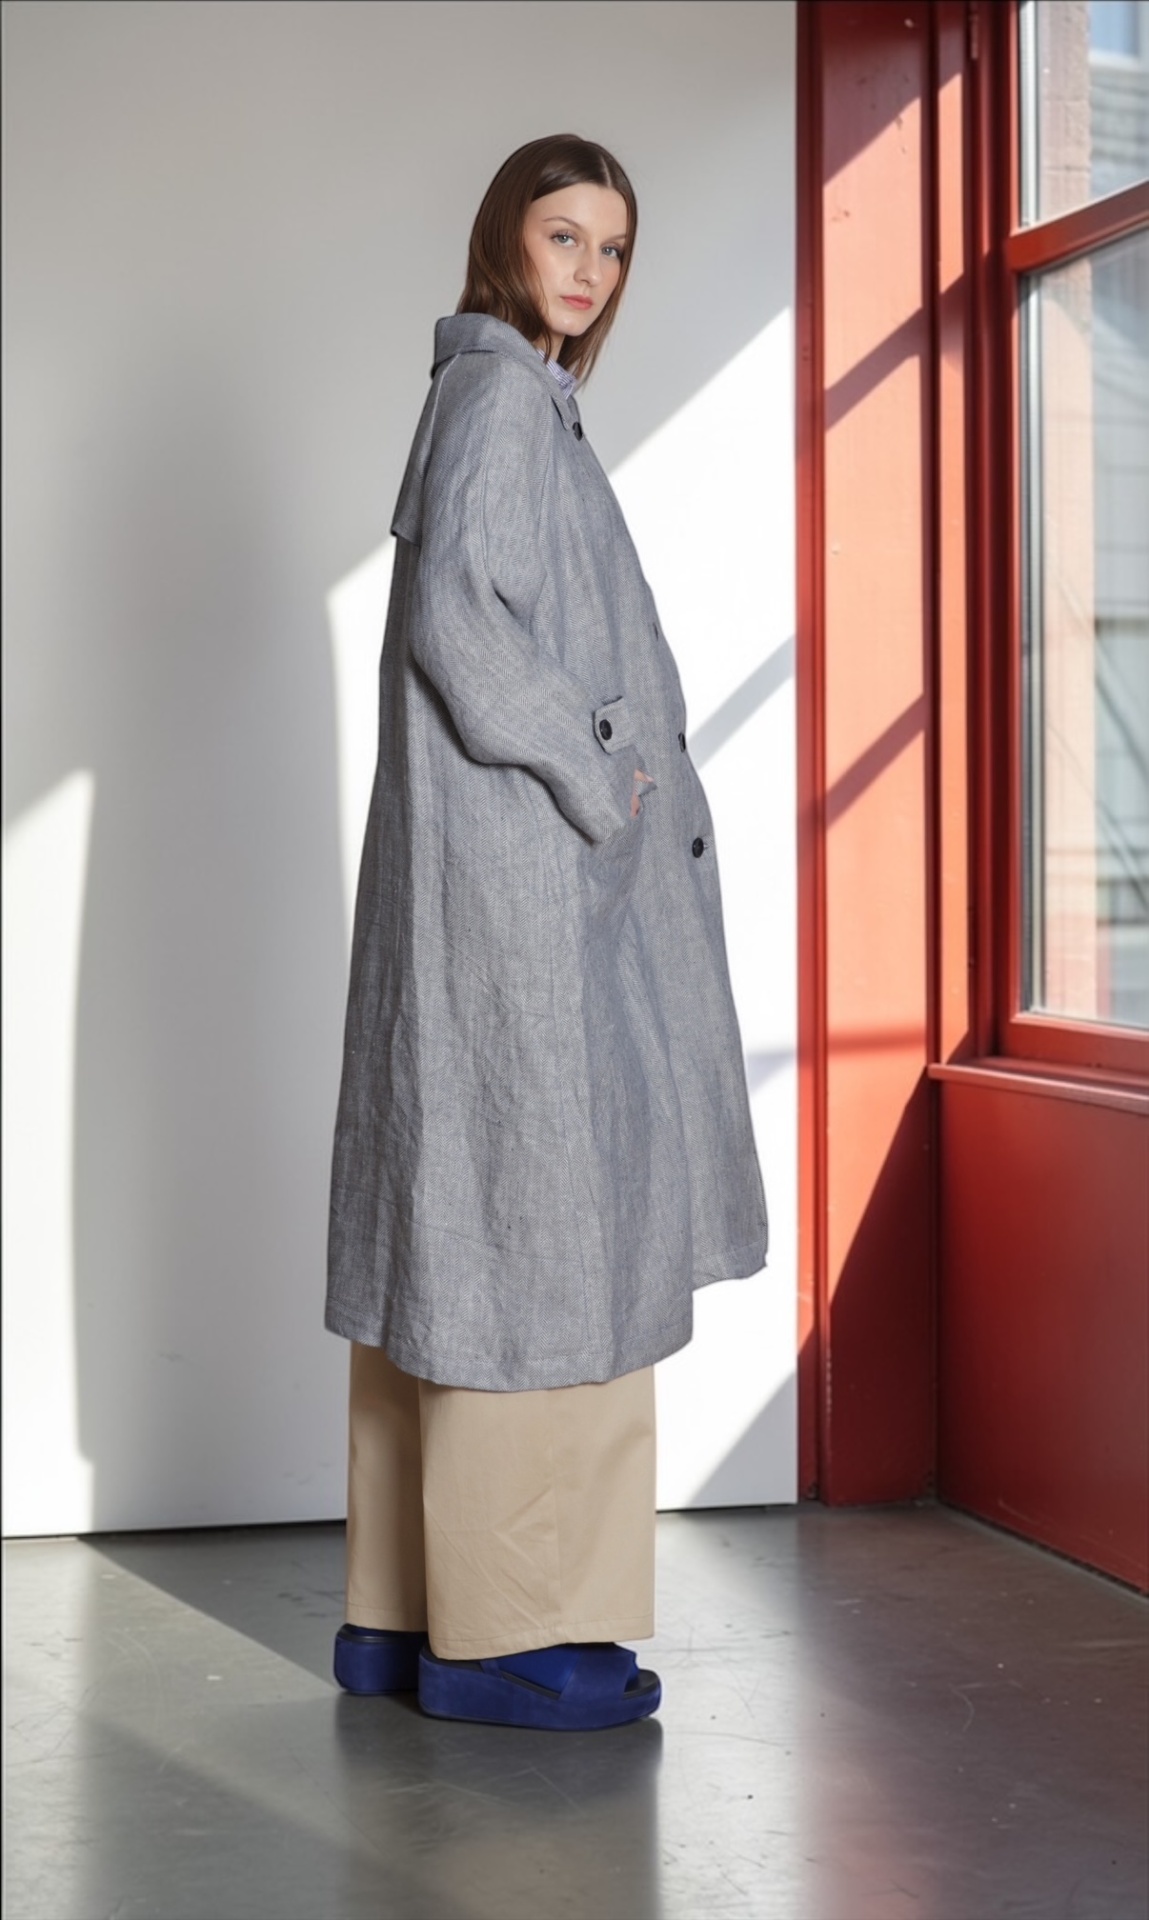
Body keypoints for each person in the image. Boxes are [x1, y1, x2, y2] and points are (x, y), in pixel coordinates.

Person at [325, 133, 767, 1731]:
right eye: (562, 235)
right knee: (549, 1246)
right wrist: (598, 771)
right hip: (524, 893)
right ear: (503, 239)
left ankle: (399, 1616)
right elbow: (460, 620)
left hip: (488, 887)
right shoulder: (506, 398)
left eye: (612, 248)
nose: (588, 271)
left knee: (464, 1228)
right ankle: (508, 1639)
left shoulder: (489, 395)